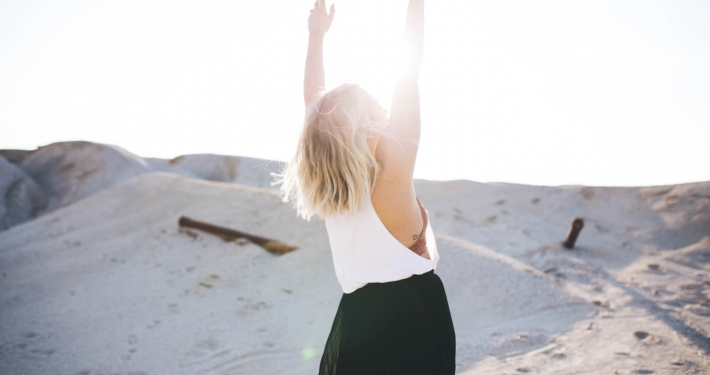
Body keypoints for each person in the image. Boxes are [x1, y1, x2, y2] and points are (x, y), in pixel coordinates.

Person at [274, 0, 456, 373]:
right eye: (378, 108)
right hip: (415, 319)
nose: (388, 115)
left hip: (357, 320)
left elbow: (314, 104)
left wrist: (316, 36)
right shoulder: (392, 167)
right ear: (362, 122)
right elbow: (409, 77)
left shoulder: (331, 193)